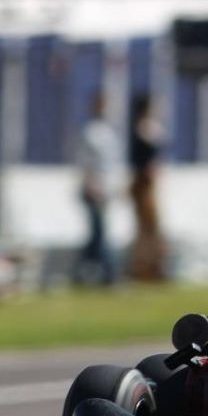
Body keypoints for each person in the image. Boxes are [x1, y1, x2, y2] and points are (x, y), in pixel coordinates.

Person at [71, 93, 122, 286]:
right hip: (94, 189)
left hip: (106, 188)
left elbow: (111, 165)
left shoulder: (107, 131)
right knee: (99, 233)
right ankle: (110, 275)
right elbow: (86, 163)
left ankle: (79, 273)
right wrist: (93, 186)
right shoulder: (91, 132)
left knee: (96, 236)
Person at [126, 94, 167, 281]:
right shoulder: (142, 129)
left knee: (151, 228)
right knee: (147, 228)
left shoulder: (147, 128)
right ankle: (145, 270)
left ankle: (151, 268)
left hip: (148, 184)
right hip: (143, 183)